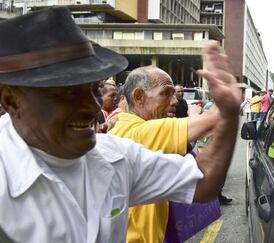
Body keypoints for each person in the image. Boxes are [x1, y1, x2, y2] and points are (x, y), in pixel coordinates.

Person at [0, 7, 241, 243]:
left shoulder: (114, 157)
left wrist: (229, 114)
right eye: (70, 93)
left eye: (94, 89)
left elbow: (202, 182)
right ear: (11, 100)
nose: (93, 108)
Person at [108, 66, 222, 242]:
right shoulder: (139, 133)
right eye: (166, 93)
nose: (175, 101)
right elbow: (214, 120)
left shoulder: (124, 129)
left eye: (174, 93)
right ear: (139, 97)